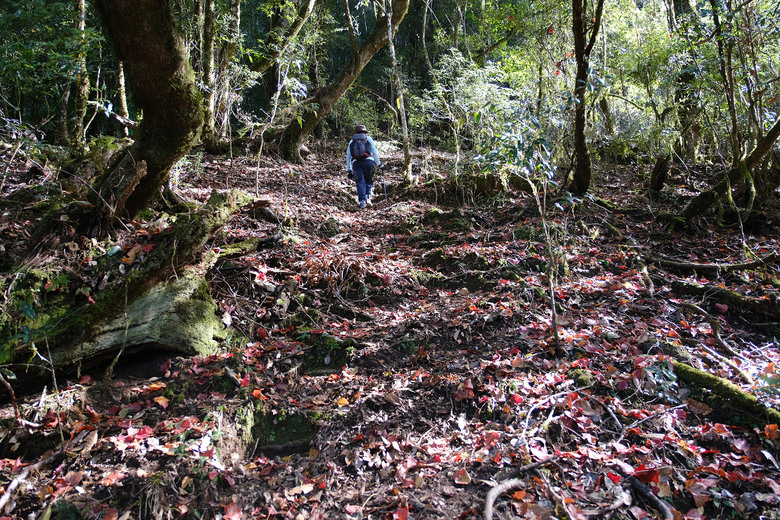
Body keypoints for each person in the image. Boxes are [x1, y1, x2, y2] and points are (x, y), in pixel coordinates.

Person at [346, 125, 382, 209]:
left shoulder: (352, 141)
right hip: (368, 162)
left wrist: (349, 169)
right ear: (365, 132)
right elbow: (374, 152)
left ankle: (362, 201)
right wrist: (379, 164)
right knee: (369, 180)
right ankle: (367, 197)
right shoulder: (368, 139)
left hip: (356, 163)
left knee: (360, 181)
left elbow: (348, 156)